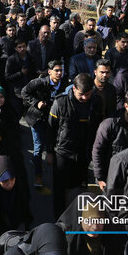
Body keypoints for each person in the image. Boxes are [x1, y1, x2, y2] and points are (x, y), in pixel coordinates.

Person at [47, 73, 103, 218]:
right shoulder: (60, 102)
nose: (85, 98)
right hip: (63, 153)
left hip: (85, 153)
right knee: (60, 190)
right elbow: (50, 129)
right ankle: (59, 220)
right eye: (81, 94)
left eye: (88, 94)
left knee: (80, 188)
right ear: (73, 89)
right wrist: (49, 152)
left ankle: (77, 218)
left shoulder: (97, 102)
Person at [22, 60, 69, 189]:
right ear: (49, 72)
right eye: (56, 71)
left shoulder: (64, 84)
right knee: (38, 147)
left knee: (54, 144)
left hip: (54, 119)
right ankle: (38, 175)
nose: (59, 73)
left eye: (61, 70)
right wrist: (36, 102)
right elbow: (24, 92)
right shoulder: (39, 82)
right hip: (37, 118)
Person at [92, 92, 128, 192]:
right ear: (126, 106)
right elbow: (98, 151)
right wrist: (100, 177)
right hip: (113, 175)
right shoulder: (110, 124)